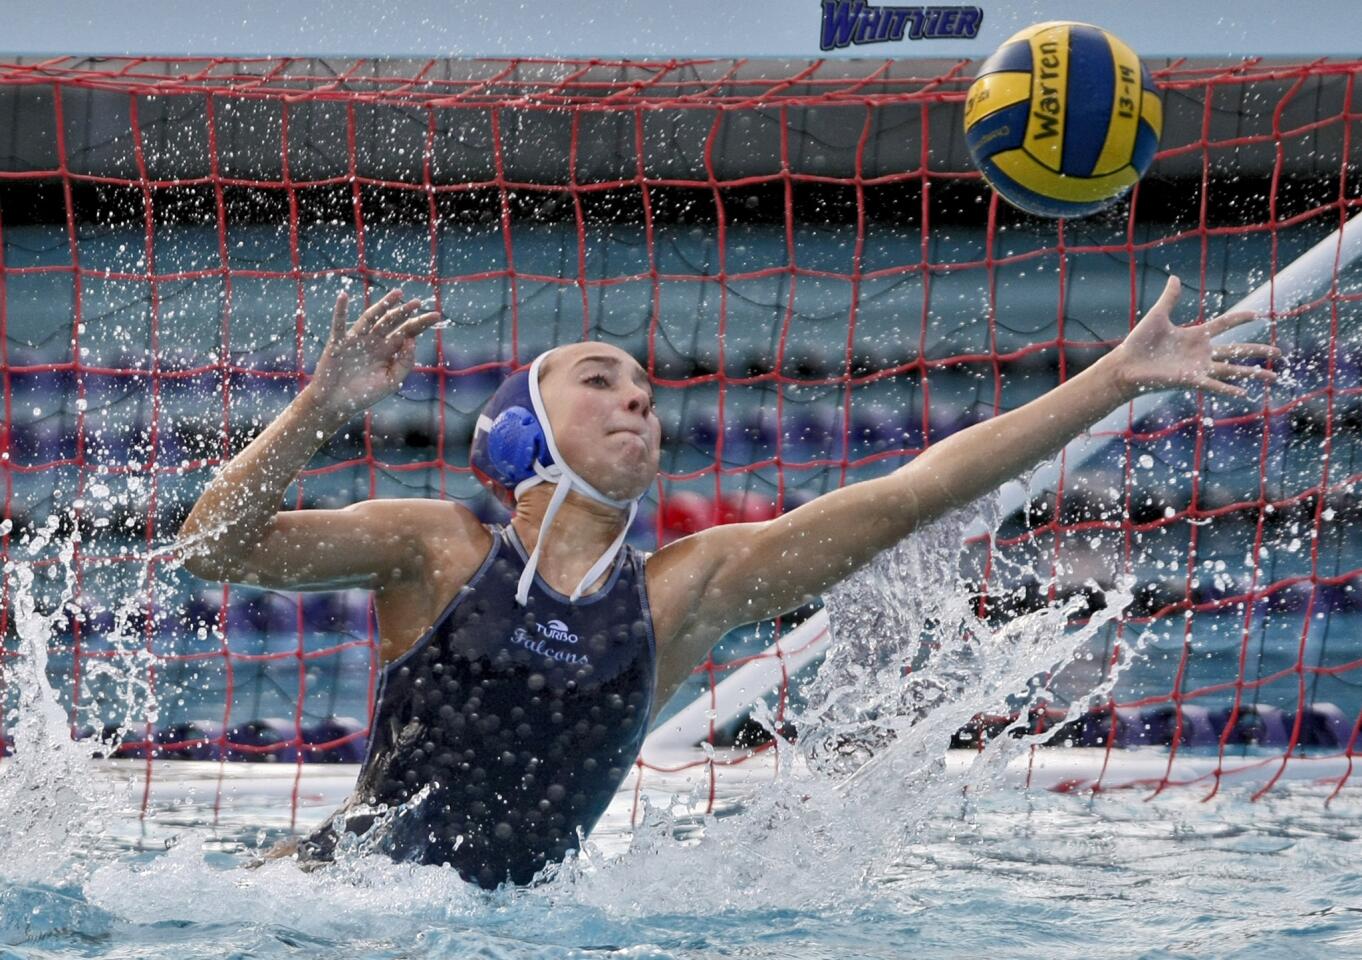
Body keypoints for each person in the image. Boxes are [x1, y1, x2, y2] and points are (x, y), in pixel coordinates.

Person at [178, 279, 1279, 888]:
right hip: (326, 899)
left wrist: (1113, 380)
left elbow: (915, 492)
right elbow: (210, 550)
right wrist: (319, 408)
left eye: (645, 389)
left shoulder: (680, 594)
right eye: (597, 382)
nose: (636, 399)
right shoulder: (438, 549)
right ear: (519, 432)